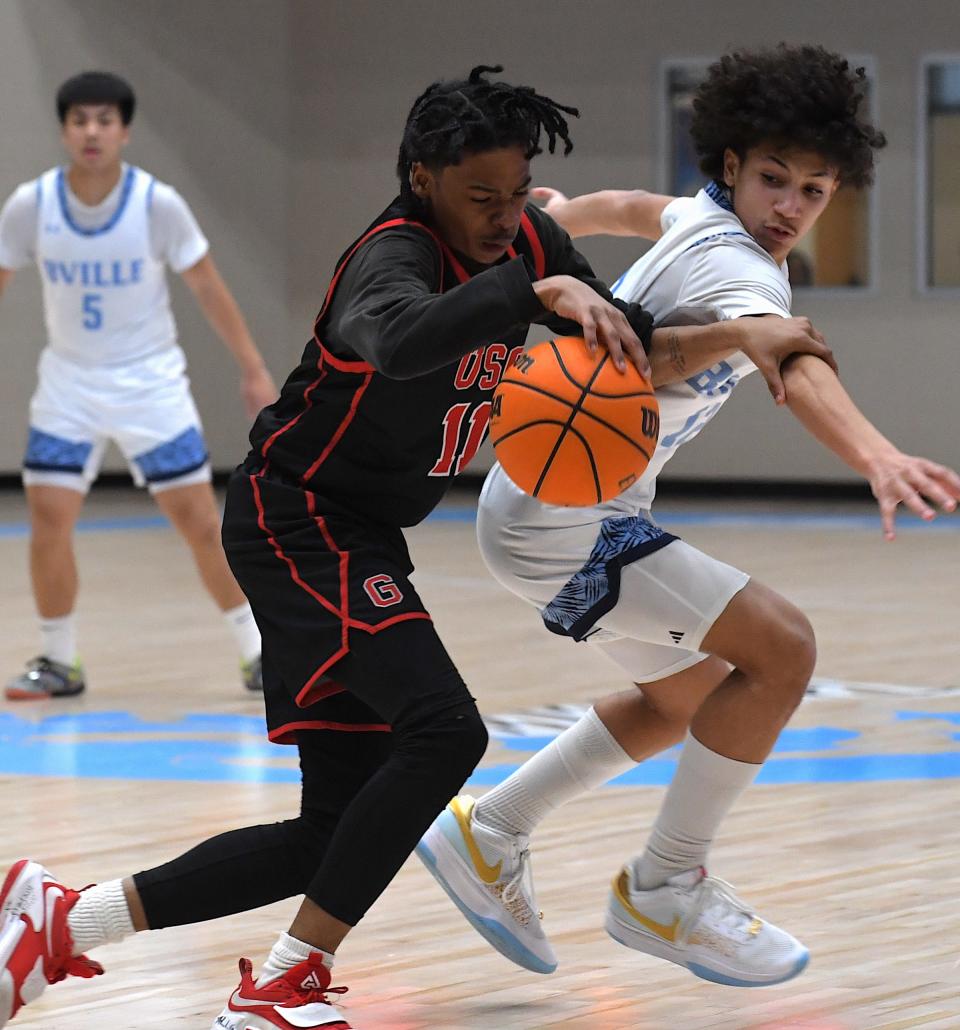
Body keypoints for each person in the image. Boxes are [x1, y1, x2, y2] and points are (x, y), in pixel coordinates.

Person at [0, 64, 828, 1030]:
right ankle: (283, 983)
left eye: (518, 194)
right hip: (294, 515)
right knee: (446, 732)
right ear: (422, 178)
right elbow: (397, 340)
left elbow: (627, 341)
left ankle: (62, 920)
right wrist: (537, 287)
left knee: (330, 835)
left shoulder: (528, 239)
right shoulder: (389, 257)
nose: (503, 215)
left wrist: (740, 333)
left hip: (361, 534)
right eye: (480, 197)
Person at [417, 44, 960, 989]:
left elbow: (643, 208)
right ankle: (666, 886)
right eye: (773, 180)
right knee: (783, 650)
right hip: (565, 521)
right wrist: (876, 454)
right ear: (732, 169)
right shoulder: (746, 277)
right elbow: (794, 363)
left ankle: (491, 828)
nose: (790, 205)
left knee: (687, 697)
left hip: (546, 504)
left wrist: (569, 211)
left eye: (815, 189)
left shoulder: (703, 216)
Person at [0, 71, 277, 699]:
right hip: (68, 383)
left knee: (199, 523)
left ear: (124, 130)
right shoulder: (32, 204)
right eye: (79, 119)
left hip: (149, 384)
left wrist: (252, 368)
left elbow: (208, 287)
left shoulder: (157, 203)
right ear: (64, 129)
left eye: (104, 120)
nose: (91, 131)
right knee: (48, 516)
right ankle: (59, 660)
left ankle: (258, 652)